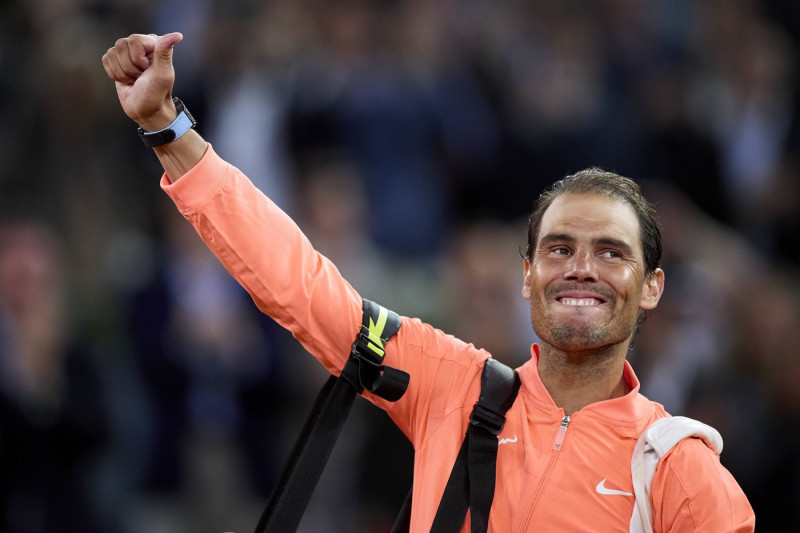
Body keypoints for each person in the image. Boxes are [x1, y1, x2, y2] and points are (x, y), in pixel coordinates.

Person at [102, 33, 755, 532]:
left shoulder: (681, 469)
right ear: (526, 276)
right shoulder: (449, 383)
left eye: (610, 252)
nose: (580, 265)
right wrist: (167, 128)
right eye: (559, 248)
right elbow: (298, 283)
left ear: (652, 287)